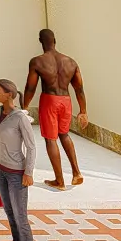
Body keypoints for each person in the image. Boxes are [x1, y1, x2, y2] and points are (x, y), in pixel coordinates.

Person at [24, 29, 87, 189]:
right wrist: (83, 111)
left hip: (49, 100)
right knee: (64, 134)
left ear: (40, 41)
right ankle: (77, 173)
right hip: (66, 100)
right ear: (55, 40)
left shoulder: (37, 62)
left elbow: (30, 88)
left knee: (51, 139)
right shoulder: (71, 62)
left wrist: (24, 107)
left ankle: (59, 181)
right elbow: (79, 89)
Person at [0, 78, 38, 241]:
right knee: (9, 212)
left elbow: (31, 147)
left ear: (9, 94)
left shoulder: (20, 118)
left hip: (16, 173)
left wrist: (28, 172)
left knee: (21, 216)